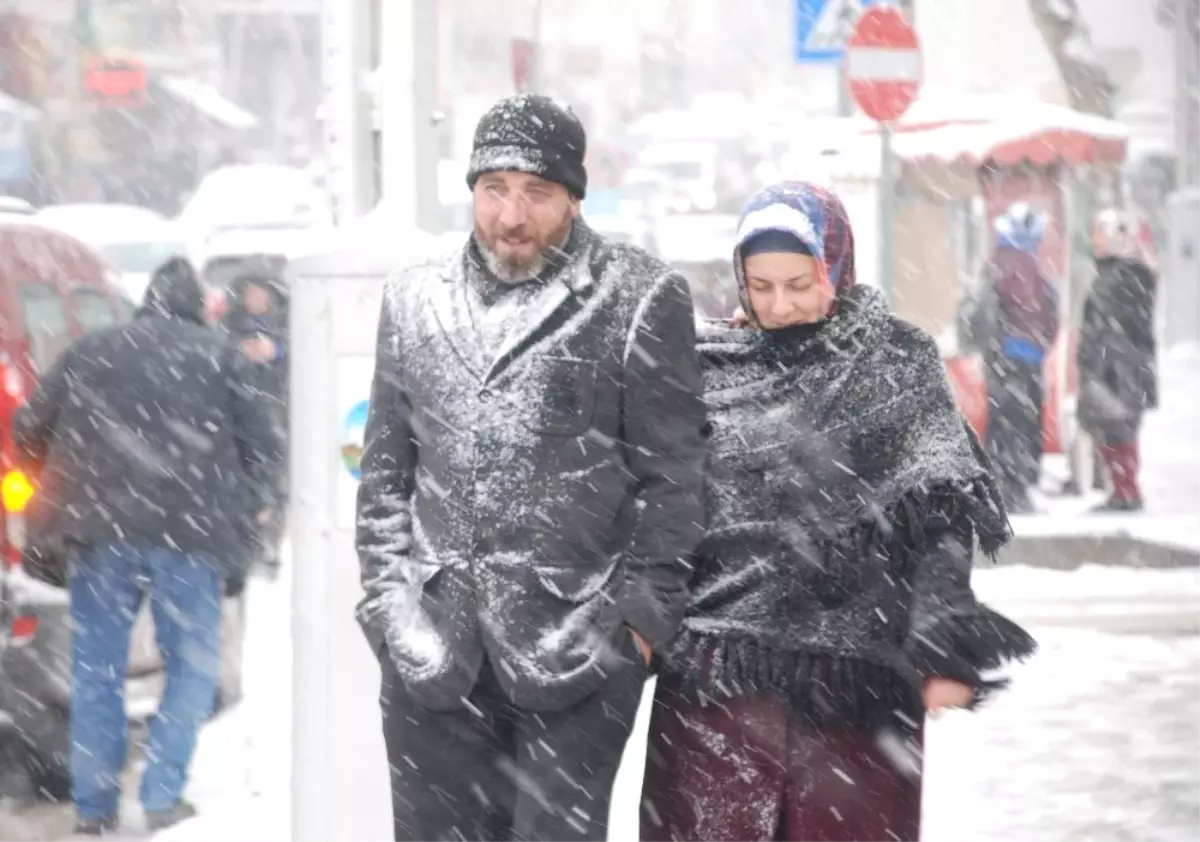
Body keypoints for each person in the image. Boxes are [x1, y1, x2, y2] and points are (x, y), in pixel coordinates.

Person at [355, 93, 707, 842]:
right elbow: (385, 472)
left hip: (579, 654)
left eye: (536, 194)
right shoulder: (413, 300)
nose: (511, 216)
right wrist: (388, 611)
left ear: (573, 200)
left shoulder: (640, 298)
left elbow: (674, 476)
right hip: (432, 656)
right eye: (495, 190)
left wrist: (638, 625)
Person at [640, 182, 1036, 842]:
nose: (780, 305)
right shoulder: (702, 368)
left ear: (838, 266)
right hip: (715, 696)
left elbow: (939, 515)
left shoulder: (893, 364)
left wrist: (939, 641)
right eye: (759, 286)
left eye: (800, 283)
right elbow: (659, 508)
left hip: (855, 695)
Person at [13, 258, 270, 835]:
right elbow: (265, 447)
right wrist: (247, 508)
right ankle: (161, 796)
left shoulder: (92, 351)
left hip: (99, 533)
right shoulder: (219, 358)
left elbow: (28, 427)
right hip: (191, 536)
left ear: (145, 301)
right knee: (191, 669)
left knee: (97, 670)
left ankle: (93, 808)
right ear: (196, 309)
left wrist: (60, 482)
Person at [976, 202, 1060, 514]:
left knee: (1004, 423)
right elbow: (1049, 313)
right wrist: (1040, 341)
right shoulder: (1026, 268)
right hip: (1023, 359)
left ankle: (1003, 485)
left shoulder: (997, 265)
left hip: (1003, 359)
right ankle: (1015, 487)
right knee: (1022, 423)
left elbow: (985, 313)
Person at [1077, 209, 1159, 512]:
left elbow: (1105, 325)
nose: (1095, 241)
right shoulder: (1128, 273)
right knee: (1117, 429)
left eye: (1100, 234)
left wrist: (1093, 361)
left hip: (1116, 367)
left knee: (1117, 429)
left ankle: (1126, 491)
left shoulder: (1119, 276)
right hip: (1122, 366)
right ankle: (1124, 489)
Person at [222, 273, 289, 569]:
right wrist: (240, 353)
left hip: (278, 411)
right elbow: (217, 352)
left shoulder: (287, 324)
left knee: (276, 478)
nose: (256, 299)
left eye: (261, 293)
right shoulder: (228, 325)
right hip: (240, 413)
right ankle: (246, 540)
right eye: (250, 293)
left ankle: (271, 541)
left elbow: (305, 354)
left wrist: (277, 353)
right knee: (245, 476)